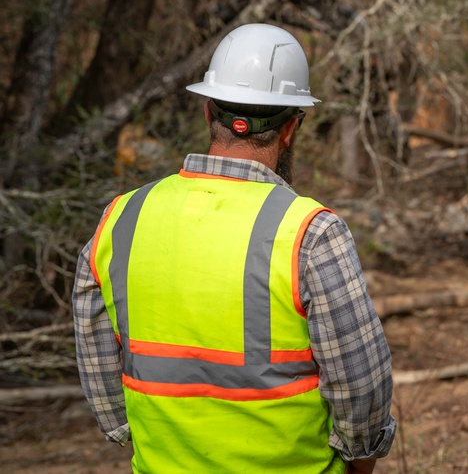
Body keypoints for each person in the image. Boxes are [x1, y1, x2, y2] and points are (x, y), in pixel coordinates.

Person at [73, 23, 395, 474]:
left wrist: (129, 431)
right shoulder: (310, 232)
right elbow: (361, 388)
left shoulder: (120, 219)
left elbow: (99, 366)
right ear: (290, 128)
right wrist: (361, 457)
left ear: (208, 113)